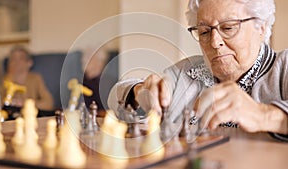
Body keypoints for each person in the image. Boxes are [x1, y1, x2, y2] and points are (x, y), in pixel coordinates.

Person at [109, 0, 288, 141]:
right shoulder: (187, 72)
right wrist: (138, 91)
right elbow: (114, 96)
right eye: (204, 32)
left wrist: (263, 115)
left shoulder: (284, 65)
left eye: (228, 28)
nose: (214, 42)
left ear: (261, 27)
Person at [1, 45, 54, 111]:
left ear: (29, 63)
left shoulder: (35, 78)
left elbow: (49, 103)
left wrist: (26, 103)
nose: (16, 62)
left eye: (21, 58)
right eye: (13, 59)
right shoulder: (5, 80)